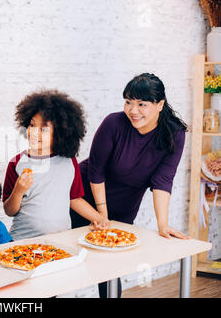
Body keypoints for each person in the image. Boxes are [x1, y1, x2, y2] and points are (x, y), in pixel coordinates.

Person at [70, 73, 189, 298]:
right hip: (83, 197)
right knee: (64, 258)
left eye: (141, 104)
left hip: (124, 206)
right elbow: (96, 170)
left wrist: (163, 224)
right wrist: (100, 215)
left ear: (160, 104)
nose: (133, 110)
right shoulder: (113, 123)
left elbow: (163, 179)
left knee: (111, 269)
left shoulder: (175, 133)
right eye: (128, 102)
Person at [3, 89, 108, 241]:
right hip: (23, 240)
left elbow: (74, 199)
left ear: (60, 133)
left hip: (61, 240)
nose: (34, 132)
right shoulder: (16, 163)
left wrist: (100, 220)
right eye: (32, 125)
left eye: (43, 129)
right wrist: (18, 191)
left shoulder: (69, 161)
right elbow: (9, 211)